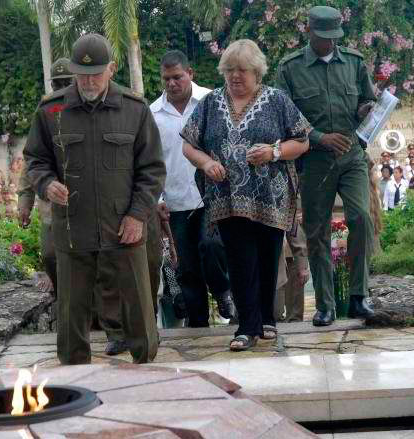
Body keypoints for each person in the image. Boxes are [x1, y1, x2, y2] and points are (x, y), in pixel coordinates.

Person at [24, 33, 165, 365]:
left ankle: (147, 366)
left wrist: (137, 215)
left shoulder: (134, 109)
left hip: (124, 224)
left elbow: (152, 170)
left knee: (138, 305)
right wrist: (46, 183)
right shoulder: (51, 110)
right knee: (72, 309)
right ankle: (74, 376)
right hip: (74, 225)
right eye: (81, 74)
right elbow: (35, 159)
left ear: (112, 69)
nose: (87, 81)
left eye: (95, 74)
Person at [182, 39, 310, 351]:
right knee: (240, 261)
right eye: (229, 70)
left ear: (257, 72)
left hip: (271, 197)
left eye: (242, 70)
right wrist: (207, 162)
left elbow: (303, 140)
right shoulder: (211, 103)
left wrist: (274, 151)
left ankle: (267, 320)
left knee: (267, 260)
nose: (235, 76)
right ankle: (246, 327)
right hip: (227, 198)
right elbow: (188, 143)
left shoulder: (276, 100)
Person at [276, 5, 377, 326]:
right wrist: (319, 137)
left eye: (334, 38)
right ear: (309, 32)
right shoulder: (290, 69)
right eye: (323, 38)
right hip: (315, 162)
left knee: (360, 218)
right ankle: (325, 305)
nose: (329, 44)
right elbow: (284, 117)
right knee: (317, 231)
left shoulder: (355, 63)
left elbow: (366, 100)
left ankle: (359, 298)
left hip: (352, 157)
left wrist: (366, 109)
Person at [150, 49, 234, 328]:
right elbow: (150, 161)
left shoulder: (212, 101)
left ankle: (223, 291)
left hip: (213, 196)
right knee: (186, 269)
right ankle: (197, 328)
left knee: (212, 247)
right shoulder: (153, 114)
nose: (172, 83)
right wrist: (158, 198)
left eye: (177, 77)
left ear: (190, 74)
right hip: (174, 202)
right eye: (166, 79)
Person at [17, 58, 74, 298]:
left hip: (86, 205)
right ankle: (61, 293)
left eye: (66, 82)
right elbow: (31, 161)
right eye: (58, 83)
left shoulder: (87, 111)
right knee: (50, 254)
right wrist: (24, 204)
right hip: (51, 205)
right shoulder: (45, 112)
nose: (61, 88)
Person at [274, 219, 310, 323]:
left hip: (292, 251)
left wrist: (303, 265)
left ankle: (294, 321)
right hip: (273, 253)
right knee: (275, 313)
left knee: (294, 316)